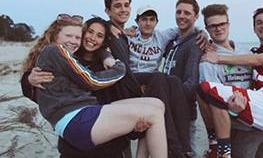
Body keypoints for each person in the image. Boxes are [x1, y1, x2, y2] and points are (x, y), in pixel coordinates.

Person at [21, 14, 167, 158]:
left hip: (93, 120)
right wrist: (119, 67)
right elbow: (92, 81)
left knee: (157, 105)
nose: (74, 41)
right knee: (154, 115)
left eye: (77, 37)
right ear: (54, 36)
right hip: (76, 122)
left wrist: (136, 129)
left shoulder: (81, 58)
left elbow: (122, 101)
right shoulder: (58, 53)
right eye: (89, 33)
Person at [104, 0, 207, 158]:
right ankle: (173, 143)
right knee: (159, 76)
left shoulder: (163, 36)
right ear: (136, 21)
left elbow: (190, 27)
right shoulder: (128, 35)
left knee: (173, 81)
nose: (148, 23)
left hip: (152, 83)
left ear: (157, 22)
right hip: (133, 80)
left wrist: (204, 33)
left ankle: (185, 148)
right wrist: (109, 26)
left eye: (152, 19)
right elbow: (101, 28)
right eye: (143, 19)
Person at [197, 7, 263, 158]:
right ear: (208, 29)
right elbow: (213, 103)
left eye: (222, 24)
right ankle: (219, 150)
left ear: (229, 25)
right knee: (205, 89)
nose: (219, 29)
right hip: (240, 131)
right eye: (213, 26)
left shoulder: (248, 52)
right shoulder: (207, 61)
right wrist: (232, 112)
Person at [161, 0, 204, 157]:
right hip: (167, 111)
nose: (181, 16)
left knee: (187, 153)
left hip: (184, 114)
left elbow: (191, 83)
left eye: (187, 13)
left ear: (196, 17)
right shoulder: (172, 42)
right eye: (179, 12)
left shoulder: (195, 44)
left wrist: (164, 96)